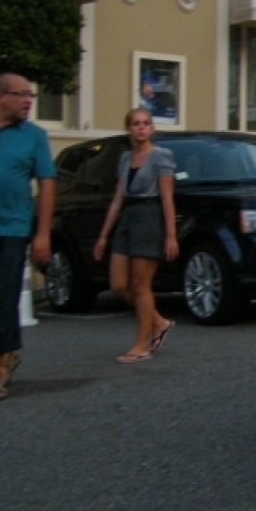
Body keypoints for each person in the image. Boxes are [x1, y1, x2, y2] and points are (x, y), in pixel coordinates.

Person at [0, 72, 56, 400]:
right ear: (0, 97)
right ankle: (4, 353)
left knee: (2, 300)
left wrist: (42, 233)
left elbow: (47, 184)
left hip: (10, 231)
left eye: (31, 95)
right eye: (22, 95)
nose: (29, 101)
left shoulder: (34, 136)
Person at [93, 108, 179, 363]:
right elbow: (118, 197)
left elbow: (167, 197)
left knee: (140, 286)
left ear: (152, 129)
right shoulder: (125, 158)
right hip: (127, 218)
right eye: (135, 123)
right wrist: (103, 236)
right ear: (129, 129)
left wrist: (170, 235)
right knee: (118, 284)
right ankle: (158, 322)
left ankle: (142, 345)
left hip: (149, 217)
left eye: (146, 123)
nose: (141, 127)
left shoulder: (161, 156)